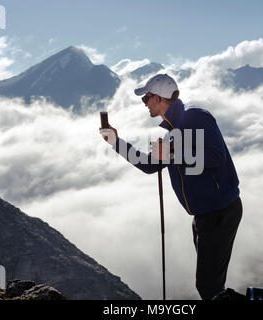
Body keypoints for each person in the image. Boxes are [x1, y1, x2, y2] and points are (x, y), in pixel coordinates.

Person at [99, 74, 242, 300]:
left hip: (220, 212)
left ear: (158, 97)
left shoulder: (194, 117)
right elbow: (149, 165)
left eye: (146, 99)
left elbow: (216, 157)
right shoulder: (173, 134)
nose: (144, 104)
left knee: (208, 286)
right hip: (206, 215)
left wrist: (172, 154)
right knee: (210, 284)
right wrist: (116, 142)